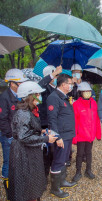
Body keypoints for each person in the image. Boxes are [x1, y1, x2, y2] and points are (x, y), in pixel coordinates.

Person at [8, 81, 57, 201]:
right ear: (30, 96)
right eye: (37, 94)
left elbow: (29, 129)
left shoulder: (29, 111)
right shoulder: (23, 114)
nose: (39, 97)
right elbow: (23, 137)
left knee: (32, 179)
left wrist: (41, 131)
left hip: (30, 151)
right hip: (23, 153)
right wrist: (45, 138)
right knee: (26, 180)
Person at [47, 74, 77, 199]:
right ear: (63, 84)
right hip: (62, 135)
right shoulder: (54, 97)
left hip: (68, 134)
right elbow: (52, 119)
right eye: (70, 83)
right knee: (58, 161)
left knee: (64, 160)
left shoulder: (64, 97)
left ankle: (62, 181)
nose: (71, 85)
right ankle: (55, 188)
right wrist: (57, 137)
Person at [0, 69, 28, 197]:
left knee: (19, 161)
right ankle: (9, 191)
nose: (21, 85)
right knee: (8, 162)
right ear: (12, 83)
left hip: (19, 135)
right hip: (9, 136)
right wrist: (10, 136)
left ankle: (18, 186)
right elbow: (2, 119)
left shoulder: (21, 95)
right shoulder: (4, 97)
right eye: (19, 83)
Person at [72, 82, 101, 182]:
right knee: (79, 154)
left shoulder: (93, 103)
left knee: (89, 153)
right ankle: (78, 171)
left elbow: (97, 119)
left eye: (89, 91)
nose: (87, 93)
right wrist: (74, 137)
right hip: (80, 135)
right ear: (80, 93)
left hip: (90, 135)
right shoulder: (76, 104)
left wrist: (98, 134)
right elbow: (74, 122)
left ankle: (88, 170)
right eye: (85, 91)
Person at [38, 65, 62, 178]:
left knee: (55, 151)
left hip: (55, 123)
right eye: (55, 75)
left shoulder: (56, 88)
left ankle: (54, 173)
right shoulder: (43, 88)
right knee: (46, 152)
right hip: (45, 123)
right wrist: (52, 74)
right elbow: (40, 85)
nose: (56, 77)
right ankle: (44, 176)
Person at [67, 63, 83, 166]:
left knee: (82, 133)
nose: (76, 74)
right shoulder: (68, 85)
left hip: (81, 114)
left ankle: (83, 155)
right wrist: (71, 85)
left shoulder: (84, 85)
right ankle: (68, 156)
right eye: (74, 73)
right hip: (69, 114)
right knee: (69, 135)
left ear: (81, 74)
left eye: (78, 73)